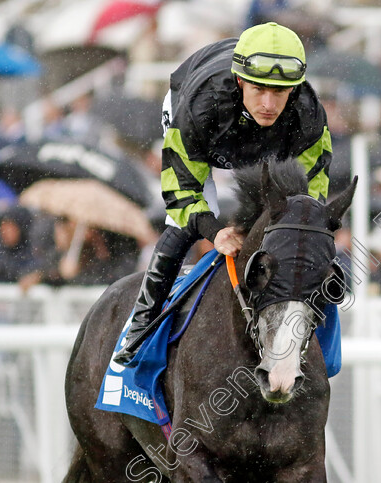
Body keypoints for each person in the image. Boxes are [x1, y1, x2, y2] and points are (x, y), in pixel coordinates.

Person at [114, 22, 332, 365]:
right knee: (181, 224)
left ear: (296, 88)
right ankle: (139, 329)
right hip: (199, 112)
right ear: (240, 80)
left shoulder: (308, 114)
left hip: (261, 146)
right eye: (259, 89)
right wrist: (215, 232)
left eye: (280, 92)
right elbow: (180, 190)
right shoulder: (201, 105)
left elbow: (312, 196)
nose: (268, 103)